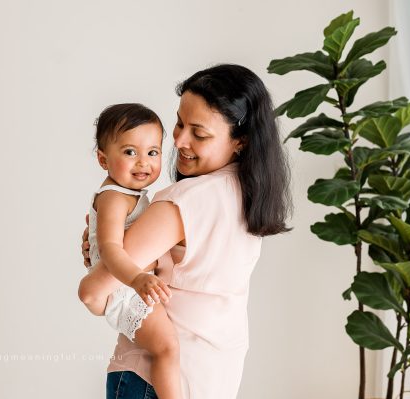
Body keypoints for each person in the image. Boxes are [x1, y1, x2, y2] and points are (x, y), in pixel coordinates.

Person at [78, 64, 293, 399]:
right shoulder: (251, 195)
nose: (178, 141)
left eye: (199, 133)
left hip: (151, 380)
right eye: (179, 123)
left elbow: (93, 293)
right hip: (215, 374)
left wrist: (103, 264)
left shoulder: (184, 202)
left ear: (240, 141)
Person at [85, 103, 182, 399]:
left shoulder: (128, 194)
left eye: (152, 152)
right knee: (167, 347)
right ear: (103, 159)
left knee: (165, 346)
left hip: (126, 287)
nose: (143, 162)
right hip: (125, 290)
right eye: (130, 152)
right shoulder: (114, 196)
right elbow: (111, 250)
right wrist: (137, 279)